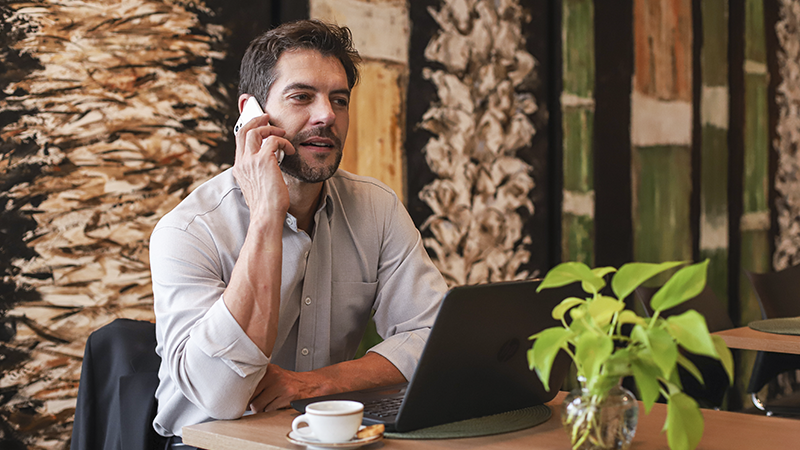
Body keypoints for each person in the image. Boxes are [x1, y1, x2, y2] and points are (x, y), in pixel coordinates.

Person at [148, 19, 447, 442]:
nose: (326, 115)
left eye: (339, 100)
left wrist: (317, 385)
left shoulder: (376, 209)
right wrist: (268, 216)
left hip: (326, 436)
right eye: (301, 97)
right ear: (251, 115)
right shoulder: (188, 231)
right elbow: (220, 394)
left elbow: (434, 339)